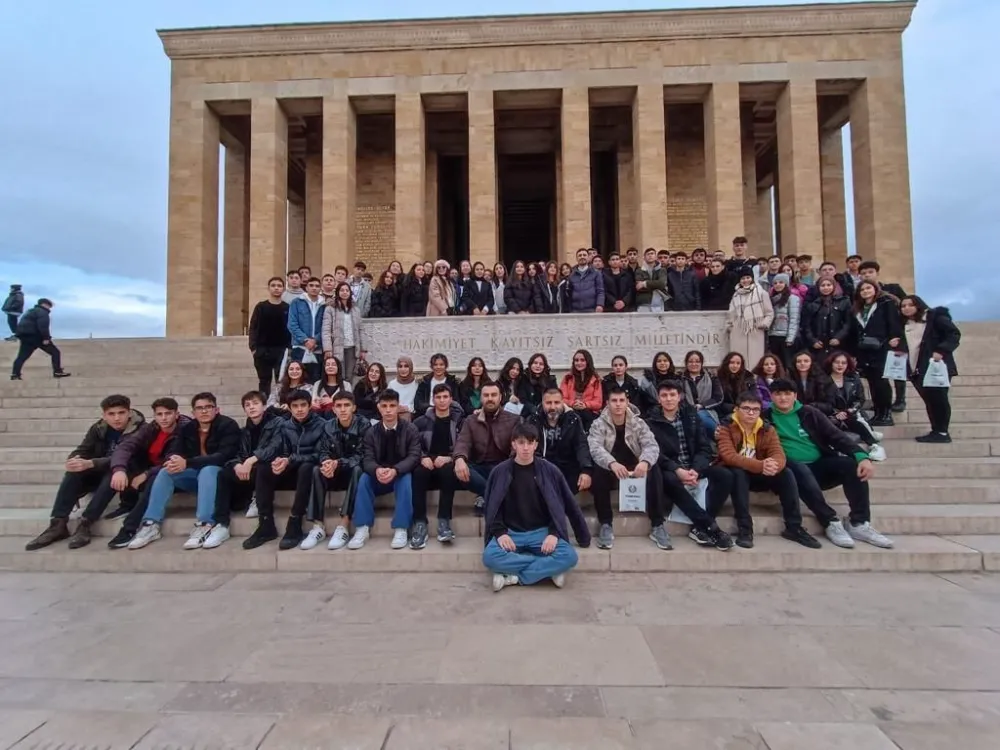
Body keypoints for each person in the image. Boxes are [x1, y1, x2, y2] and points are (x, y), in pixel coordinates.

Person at [767, 379, 892, 549]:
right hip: (787, 472)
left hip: (818, 466)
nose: (783, 398)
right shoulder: (764, 417)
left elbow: (836, 436)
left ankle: (859, 523)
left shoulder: (809, 413)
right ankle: (830, 521)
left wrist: (861, 456)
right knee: (798, 469)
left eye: (787, 393)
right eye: (778, 394)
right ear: (771, 396)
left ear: (795, 395)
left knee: (851, 466)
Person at [24, 395, 144, 551]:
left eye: (121, 413)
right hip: (99, 469)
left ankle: (86, 524)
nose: (117, 418)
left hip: (126, 471)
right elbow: (83, 449)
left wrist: (91, 463)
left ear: (129, 413)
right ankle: (58, 524)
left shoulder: (140, 429)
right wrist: (74, 460)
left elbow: (126, 457)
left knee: (112, 473)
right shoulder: (98, 428)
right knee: (74, 472)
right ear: (104, 415)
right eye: (111, 414)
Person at [482, 423, 590, 591]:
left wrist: (554, 533)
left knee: (568, 556)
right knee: (490, 557)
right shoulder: (500, 472)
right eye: (521, 442)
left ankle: (512, 577)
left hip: (541, 532)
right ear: (513, 444)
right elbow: (492, 506)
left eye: (530, 443)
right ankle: (547, 572)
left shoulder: (550, 471)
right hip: (511, 533)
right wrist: (500, 533)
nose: (526, 448)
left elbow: (563, 504)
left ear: (536, 445)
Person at [128, 393, 240, 550]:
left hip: (221, 477)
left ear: (217, 409)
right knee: (167, 472)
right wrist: (175, 460)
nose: (204, 411)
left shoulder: (228, 425)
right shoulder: (189, 428)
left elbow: (223, 456)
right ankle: (151, 524)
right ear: (193, 412)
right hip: (196, 476)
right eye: (199, 408)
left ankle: (205, 524)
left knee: (208, 470)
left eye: (208, 407)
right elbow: (177, 450)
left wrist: (187, 462)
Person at [715, 391, 821, 549]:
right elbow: (729, 456)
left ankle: (794, 527)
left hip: (761, 474)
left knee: (786, 473)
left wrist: (774, 465)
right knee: (738, 472)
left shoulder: (767, 429)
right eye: (746, 408)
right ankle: (745, 528)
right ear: (736, 410)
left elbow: (779, 454)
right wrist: (760, 465)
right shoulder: (726, 427)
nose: (751, 413)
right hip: (736, 474)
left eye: (756, 409)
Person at [644, 381, 735, 550]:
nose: (669, 399)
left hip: (694, 467)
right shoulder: (651, 422)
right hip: (671, 470)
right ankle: (710, 527)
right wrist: (678, 470)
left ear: (680, 397)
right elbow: (655, 453)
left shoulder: (692, 416)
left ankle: (699, 527)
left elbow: (704, 448)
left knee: (726, 476)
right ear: (659, 399)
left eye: (672, 395)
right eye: (664, 395)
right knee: (670, 479)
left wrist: (695, 470)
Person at [243, 389, 328, 550]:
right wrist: (279, 461)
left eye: (303, 405)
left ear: (310, 406)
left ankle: (295, 521)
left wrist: (289, 459)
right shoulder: (284, 425)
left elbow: (319, 455)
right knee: (263, 468)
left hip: (308, 472)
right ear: (289, 408)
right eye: (295, 406)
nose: (300, 409)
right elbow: (276, 447)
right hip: (288, 469)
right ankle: (265, 524)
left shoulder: (322, 425)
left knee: (307, 467)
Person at [585, 387, 669, 549]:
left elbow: (651, 445)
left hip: (635, 470)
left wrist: (644, 462)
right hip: (612, 470)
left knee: (654, 468)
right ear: (607, 403)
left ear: (627, 402)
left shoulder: (638, 423)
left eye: (621, 400)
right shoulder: (598, 424)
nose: (618, 404)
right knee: (598, 471)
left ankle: (658, 524)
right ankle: (605, 524)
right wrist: (611, 463)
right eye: (614, 401)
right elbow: (595, 448)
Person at [198, 391, 282, 550]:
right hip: (253, 471)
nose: (252, 407)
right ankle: (221, 524)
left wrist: (251, 460)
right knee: (224, 473)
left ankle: (266, 524)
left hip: (276, 470)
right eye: (247, 405)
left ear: (264, 406)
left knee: (264, 467)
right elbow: (236, 454)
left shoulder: (278, 423)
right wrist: (237, 464)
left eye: (255, 403)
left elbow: (275, 448)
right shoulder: (245, 431)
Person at [348, 389, 421, 550]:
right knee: (364, 479)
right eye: (384, 406)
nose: (388, 410)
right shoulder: (371, 432)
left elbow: (414, 456)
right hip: (379, 475)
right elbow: (367, 458)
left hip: (399, 474)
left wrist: (395, 470)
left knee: (406, 478)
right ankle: (362, 528)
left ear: (398, 407)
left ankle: (401, 528)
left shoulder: (410, 429)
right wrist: (376, 470)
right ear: (379, 407)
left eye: (392, 406)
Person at [103, 398, 187, 526]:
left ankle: (134, 522)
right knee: (125, 463)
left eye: (168, 413)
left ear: (177, 414)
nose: (163, 418)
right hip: (150, 467)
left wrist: (146, 474)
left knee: (156, 477)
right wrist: (119, 469)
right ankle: (126, 506)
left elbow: (172, 460)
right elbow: (127, 446)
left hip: (171, 472)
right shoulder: (152, 427)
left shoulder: (186, 429)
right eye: (159, 414)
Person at [410, 384, 466, 549]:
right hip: (427, 461)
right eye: (438, 397)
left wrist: (450, 458)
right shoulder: (421, 421)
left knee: (449, 473)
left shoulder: (459, 422)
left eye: (445, 397)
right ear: (433, 400)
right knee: (418, 474)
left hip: (447, 462)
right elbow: (413, 444)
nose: (442, 401)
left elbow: (463, 444)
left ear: (451, 399)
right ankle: (420, 523)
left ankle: (444, 521)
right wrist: (422, 457)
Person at [900, 295, 961, 444]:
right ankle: (936, 430)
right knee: (930, 401)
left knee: (939, 400)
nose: (906, 308)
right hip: (916, 369)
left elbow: (954, 334)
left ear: (919, 305)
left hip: (935, 367)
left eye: (910, 305)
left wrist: (941, 350)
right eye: (903, 306)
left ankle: (942, 431)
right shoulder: (904, 323)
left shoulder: (935, 318)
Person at [314, 392, 371, 550]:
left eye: (347, 405)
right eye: (338, 406)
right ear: (333, 409)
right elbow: (323, 451)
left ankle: (344, 524)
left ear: (354, 408)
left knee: (358, 469)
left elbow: (362, 455)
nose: (343, 409)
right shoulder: (328, 426)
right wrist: (326, 463)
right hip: (334, 472)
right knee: (315, 470)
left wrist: (337, 463)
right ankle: (317, 525)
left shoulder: (364, 424)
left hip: (352, 472)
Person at [453, 382, 520, 516]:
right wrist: (459, 459)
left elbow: (517, 447)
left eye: (493, 395)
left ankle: (485, 497)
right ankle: (497, 498)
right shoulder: (471, 420)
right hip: (478, 468)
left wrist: (510, 463)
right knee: (457, 467)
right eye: (486, 395)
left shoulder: (513, 420)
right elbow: (463, 442)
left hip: (503, 466)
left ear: (500, 397)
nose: (490, 398)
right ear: (481, 398)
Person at [851, 280, 904, 427]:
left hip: (882, 347)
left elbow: (893, 323)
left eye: (868, 288)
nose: (865, 291)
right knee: (873, 382)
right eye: (862, 289)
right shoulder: (858, 308)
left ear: (875, 289)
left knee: (882, 383)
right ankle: (878, 413)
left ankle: (886, 414)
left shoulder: (885, 304)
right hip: (865, 349)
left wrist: (894, 338)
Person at [858, 260, 908, 413]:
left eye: (870, 272)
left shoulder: (891, 291)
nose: (867, 275)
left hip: (890, 340)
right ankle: (879, 402)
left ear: (877, 273)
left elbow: (902, 312)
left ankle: (900, 399)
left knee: (896, 371)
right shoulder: (860, 297)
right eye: (864, 273)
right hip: (871, 343)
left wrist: (897, 336)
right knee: (877, 376)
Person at [527, 388, 593, 495]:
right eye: (548, 403)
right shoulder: (533, 420)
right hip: (542, 465)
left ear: (563, 402)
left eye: (556, 402)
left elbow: (581, 445)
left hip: (567, 465)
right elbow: (528, 446)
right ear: (542, 403)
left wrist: (586, 470)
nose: (553, 407)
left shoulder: (573, 419)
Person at [824, 350, 884, 458]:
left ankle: (873, 445)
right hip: (830, 414)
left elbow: (860, 399)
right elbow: (820, 400)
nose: (840, 365)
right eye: (837, 362)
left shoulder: (854, 378)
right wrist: (835, 413)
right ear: (831, 363)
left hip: (850, 413)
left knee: (855, 421)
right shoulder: (822, 380)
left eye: (843, 363)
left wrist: (848, 411)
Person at [248, 276, 290, 395]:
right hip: (262, 350)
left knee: (281, 380)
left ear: (283, 289)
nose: (276, 288)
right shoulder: (261, 307)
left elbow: (290, 329)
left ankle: (279, 406)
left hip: (281, 350)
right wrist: (253, 348)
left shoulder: (287, 307)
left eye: (279, 286)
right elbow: (253, 327)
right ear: (269, 288)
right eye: (273, 285)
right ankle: (264, 406)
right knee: (264, 381)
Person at [10, 298, 70, 380]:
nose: (49, 308)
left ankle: (15, 375)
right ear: (44, 304)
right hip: (37, 337)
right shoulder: (42, 312)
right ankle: (57, 372)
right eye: (49, 306)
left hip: (25, 337)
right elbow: (43, 326)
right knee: (55, 352)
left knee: (22, 357)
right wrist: (46, 338)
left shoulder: (30, 311)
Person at [728, 269, 774, 368]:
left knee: (755, 359)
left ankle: (755, 380)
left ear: (752, 278)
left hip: (756, 329)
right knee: (739, 358)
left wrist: (764, 323)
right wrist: (730, 326)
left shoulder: (761, 293)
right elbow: (731, 313)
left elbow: (769, 312)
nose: (745, 280)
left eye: (748, 277)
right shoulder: (736, 295)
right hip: (738, 330)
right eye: (743, 278)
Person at [321, 281, 365, 381]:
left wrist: (363, 349)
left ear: (350, 293)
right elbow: (326, 329)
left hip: (352, 347)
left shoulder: (355, 309)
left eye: (347, 290)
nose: (344, 292)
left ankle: (348, 395)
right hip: (337, 347)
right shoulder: (330, 308)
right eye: (342, 290)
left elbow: (361, 329)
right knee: (338, 376)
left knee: (349, 376)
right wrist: (327, 348)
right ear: (337, 292)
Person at [800, 277, 851, 360]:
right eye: (823, 285)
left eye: (828, 285)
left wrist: (839, 337)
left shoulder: (844, 301)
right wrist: (813, 340)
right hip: (819, 344)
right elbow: (806, 325)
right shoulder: (813, 304)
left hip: (837, 343)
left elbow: (848, 323)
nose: (826, 288)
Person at [287, 276, 325, 381]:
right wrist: (305, 340)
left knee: (316, 380)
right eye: (311, 285)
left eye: (317, 286)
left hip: (317, 348)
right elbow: (292, 324)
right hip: (300, 347)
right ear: (306, 288)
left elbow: (326, 326)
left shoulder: (324, 305)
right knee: (298, 379)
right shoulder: (297, 302)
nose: (314, 288)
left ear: (320, 288)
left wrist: (315, 340)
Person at [680, 350, 723, 432]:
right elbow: (680, 397)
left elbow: (718, 398)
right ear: (686, 363)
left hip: (707, 411)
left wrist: (702, 406)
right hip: (687, 411)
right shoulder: (680, 379)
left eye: (697, 361)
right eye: (690, 361)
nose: (694, 364)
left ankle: (719, 436)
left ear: (701, 363)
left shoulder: (711, 377)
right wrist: (691, 408)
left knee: (700, 416)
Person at [559, 349, 603, 429]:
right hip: (570, 411)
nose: (579, 363)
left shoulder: (595, 379)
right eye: (576, 360)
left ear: (588, 362)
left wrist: (585, 405)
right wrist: (573, 403)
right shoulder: (567, 378)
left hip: (589, 413)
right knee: (572, 416)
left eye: (582, 360)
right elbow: (561, 399)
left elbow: (598, 403)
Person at [766, 274, 800, 369]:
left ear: (786, 284)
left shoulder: (793, 298)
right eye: (775, 283)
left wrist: (790, 338)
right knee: (776, 364)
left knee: (787, 365)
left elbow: (794, 319)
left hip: (785, 337)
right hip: (773, 336)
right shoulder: (771, 299)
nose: (778, 285)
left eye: (781, 282)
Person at [791, 350, 837, 417]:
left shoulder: (824, 379)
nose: (802, 363)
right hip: (795, 414)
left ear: (812, 363)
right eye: (799, 361)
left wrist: (811, 406)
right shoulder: (789, 379)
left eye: (806, 361)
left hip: (819, 415)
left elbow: (830, 406)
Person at [716, 351, 757, 421]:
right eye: (732, 363)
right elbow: (718, 400)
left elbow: (753, 396)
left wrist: (743, 408)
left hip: (746, 411)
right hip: (725, 412)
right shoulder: (718, 378)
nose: (735, 366)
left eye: (738, 363)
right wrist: (733, 408)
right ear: (727, 363)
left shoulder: (748, 378)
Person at [562, 247, 605, 313]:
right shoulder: (571, 275)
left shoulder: (596, 273)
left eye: (584, 255)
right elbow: (569, 294)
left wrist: (600, 304)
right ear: (577, 258)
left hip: (592, 309)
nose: (582, 257)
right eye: (580, 255)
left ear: (588, 257)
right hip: (575, 310)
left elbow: (600, 291)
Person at [634, 248, 668, 312]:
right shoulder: (639, 270)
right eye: (648, 254)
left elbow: (662, 283)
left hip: (659, 302)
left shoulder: (662, 270)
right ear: (644, 257)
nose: (650, 255)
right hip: (644, 302)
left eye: (652, 254)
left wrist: (644, 283)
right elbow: (639, 287)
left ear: (656, 257)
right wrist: (656, 285)